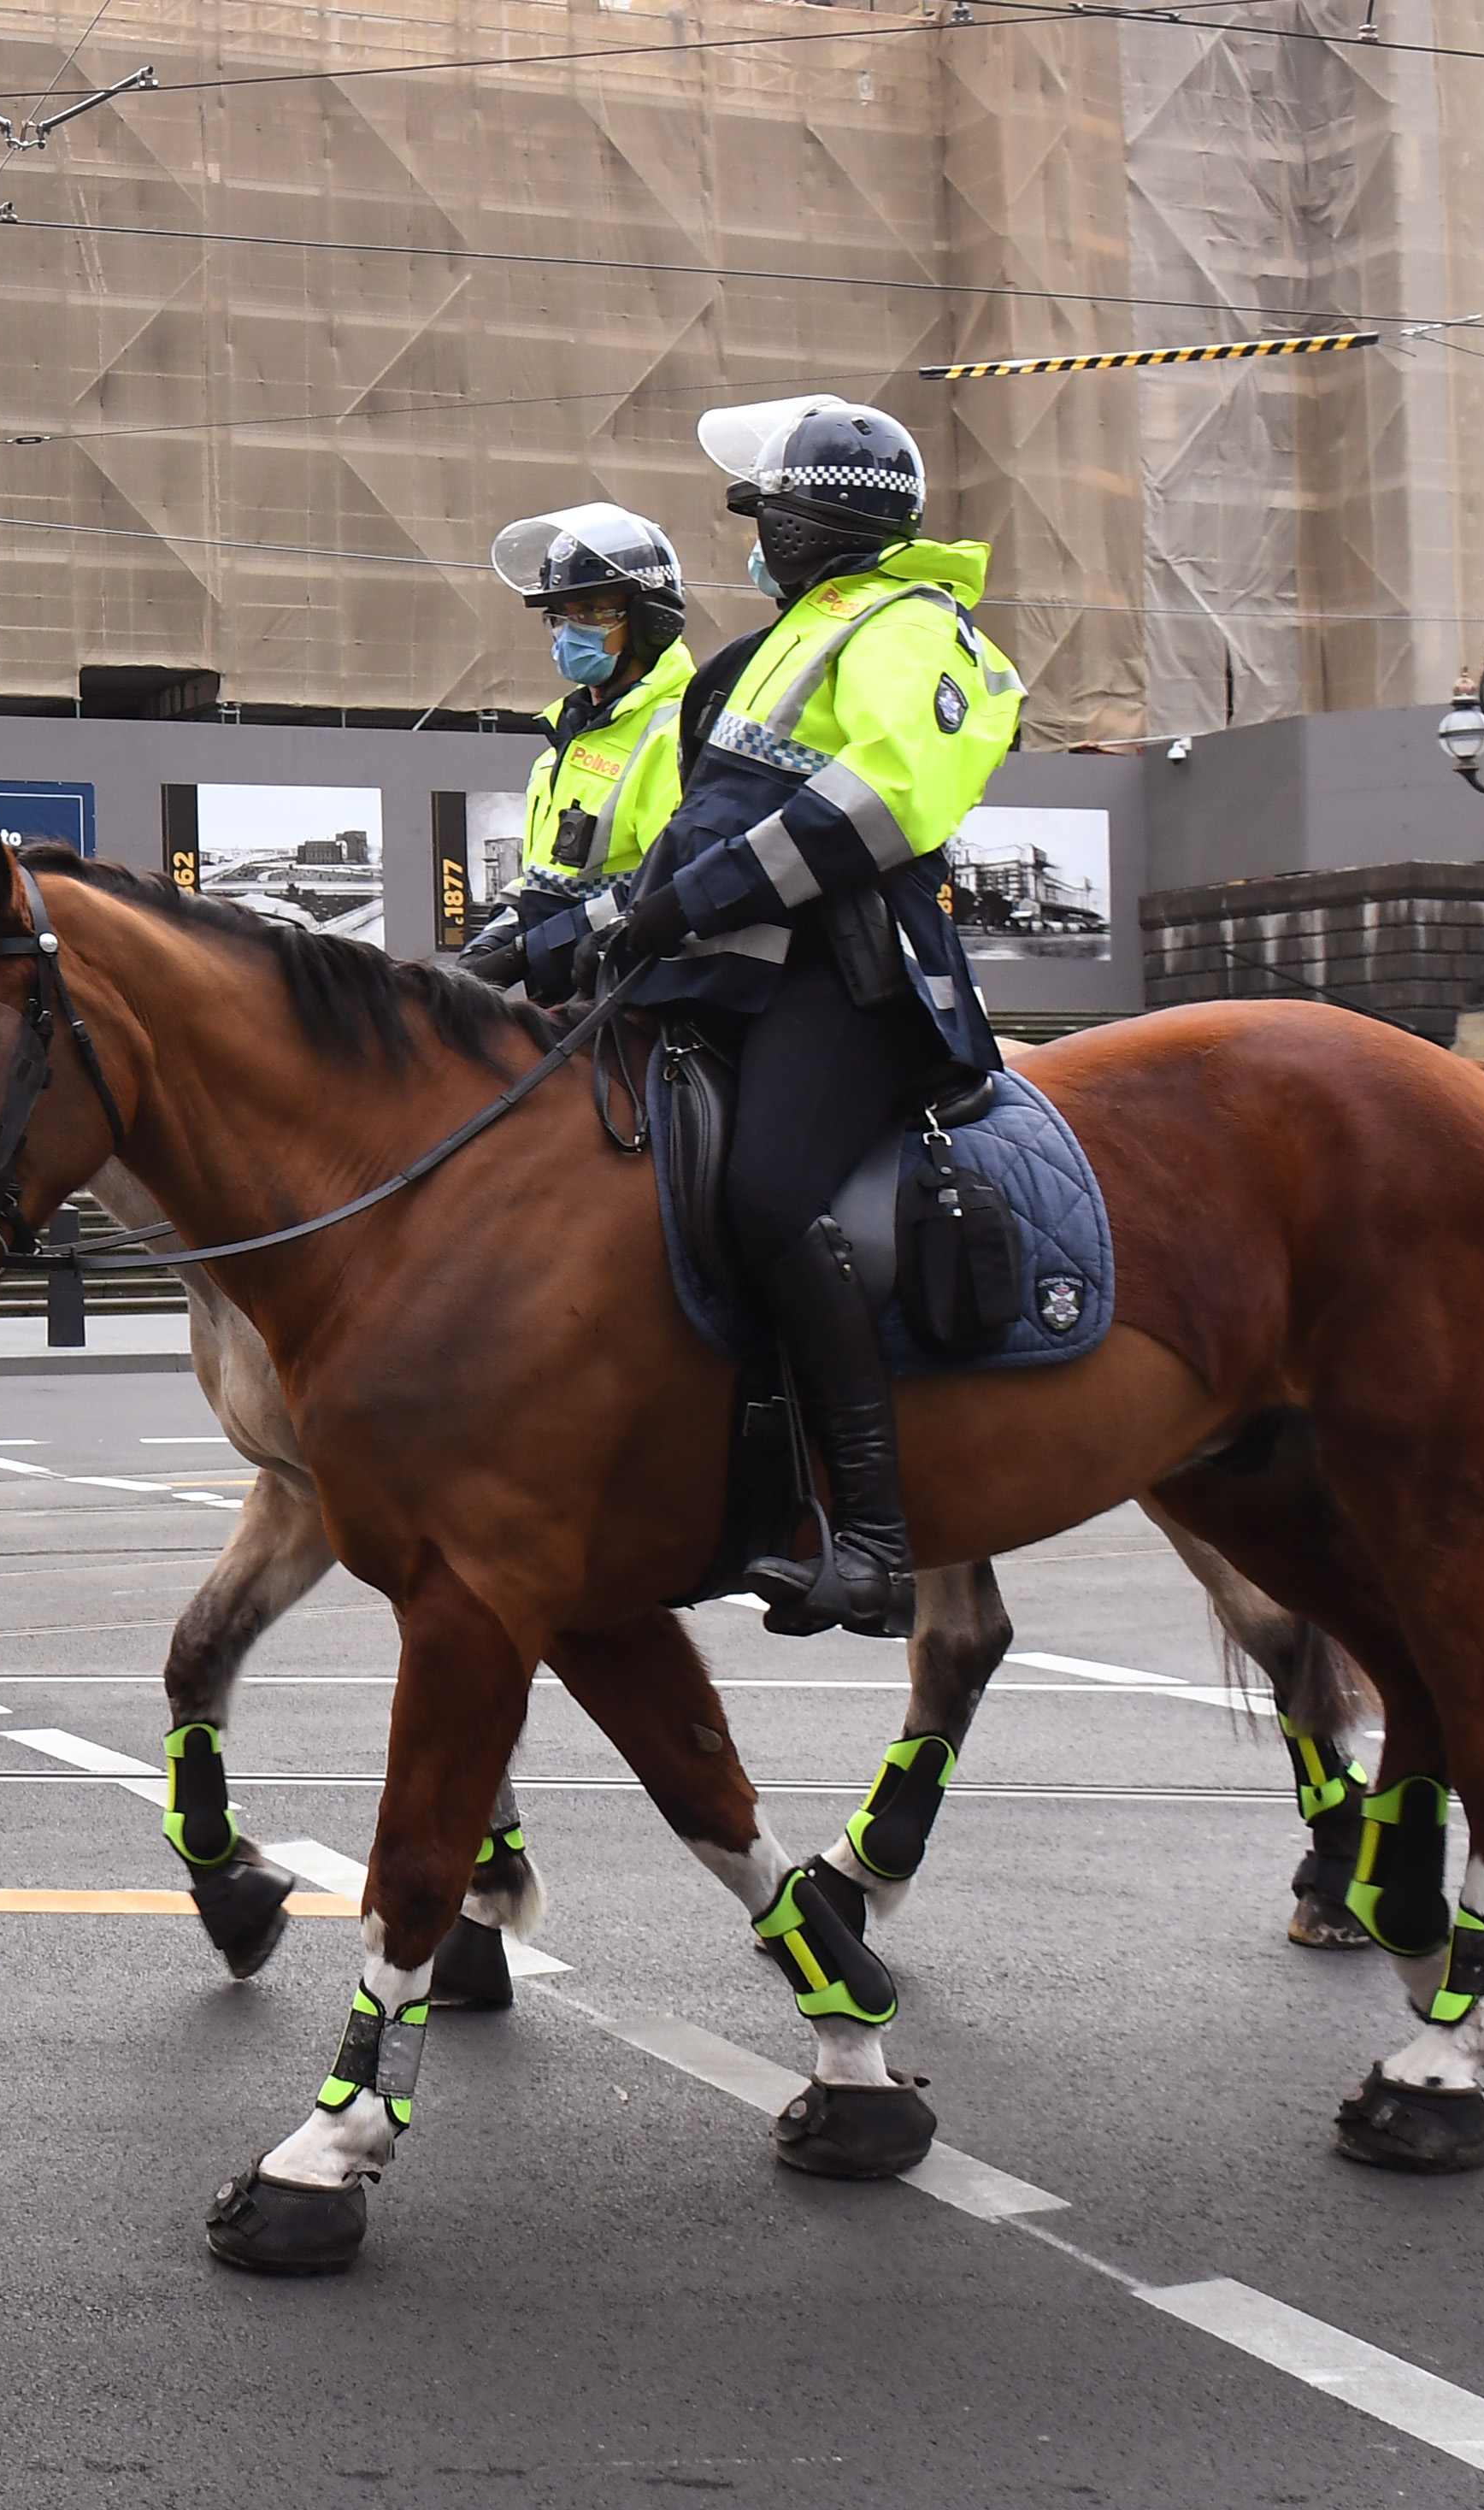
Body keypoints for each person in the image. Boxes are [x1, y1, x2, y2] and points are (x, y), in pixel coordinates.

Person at [592, 395, 1026, 1638]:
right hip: (733, 975)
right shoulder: (789, 639)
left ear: (810, 517)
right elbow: (709, 820)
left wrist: (692, 900)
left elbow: (885, 800)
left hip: (849, 981)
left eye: (763, 510)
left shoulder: (911, 625)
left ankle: (879, 1541)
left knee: (771, 1193)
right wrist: (600, 925)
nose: (753, 533)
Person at [461, 503, 697, 1004]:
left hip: (643, 1001)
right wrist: (485, 950)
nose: (571, 630)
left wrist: (529, 950)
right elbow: (541, 880)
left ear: (651, 621)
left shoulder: (678, 732)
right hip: (570, 1006)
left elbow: (671, 888)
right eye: (561, 616)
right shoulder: (563, 744)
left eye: (591, 612)